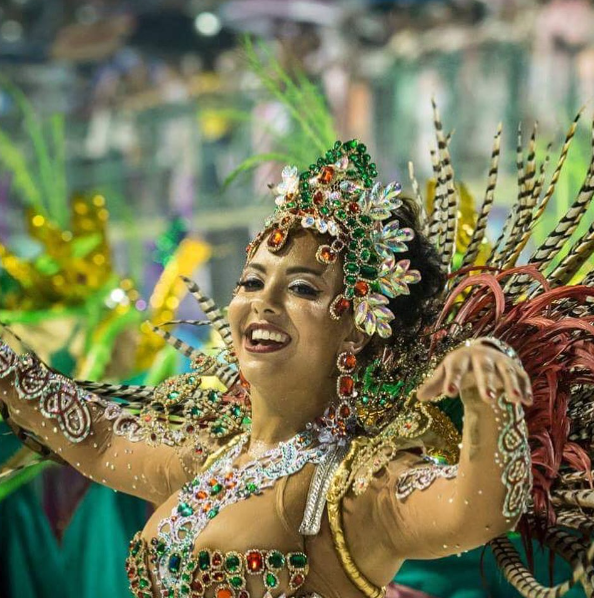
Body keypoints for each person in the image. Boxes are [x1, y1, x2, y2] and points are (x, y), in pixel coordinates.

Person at [1, 122, 593, 598]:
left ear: (357, 331)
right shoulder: (209, 460)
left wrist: (491, 396)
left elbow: (480, 509)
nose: (263, 304)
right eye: (252, 281)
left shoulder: (360, 489)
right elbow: (100, 438)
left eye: (303, 289)